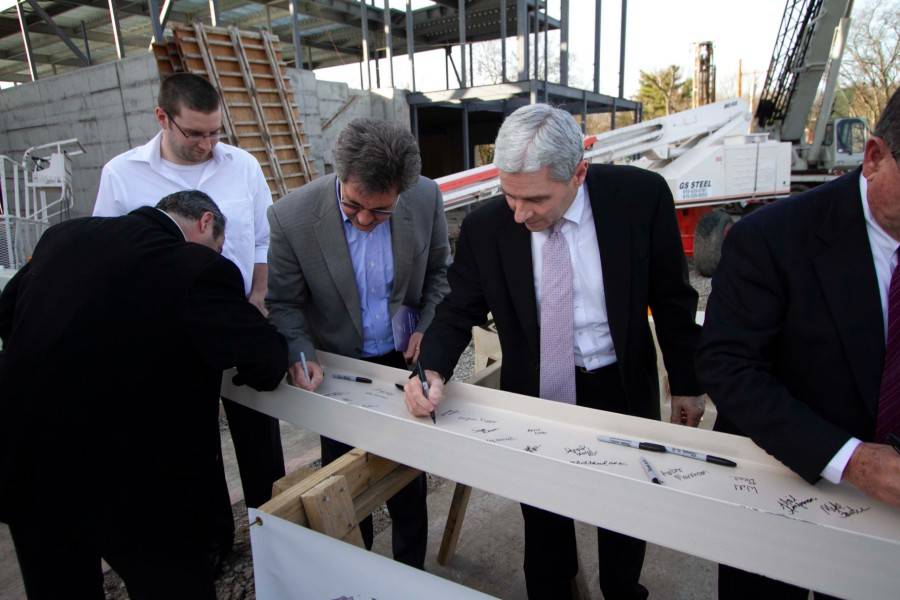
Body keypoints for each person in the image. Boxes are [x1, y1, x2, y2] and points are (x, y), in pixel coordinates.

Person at [405, 104, 705, 599]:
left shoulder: (638, 198)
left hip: (619, 385)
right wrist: (430, 368)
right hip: (538, 392)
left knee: (625, 514)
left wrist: (688, 384)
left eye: (537, 199)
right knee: (544, 522)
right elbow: (458, 308)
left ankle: (622, 588)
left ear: (578, 173)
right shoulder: (487, 227)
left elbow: (673, 297)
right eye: (509, 196)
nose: (520, 214)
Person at [0, 191, 288, 599]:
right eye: (219, 245)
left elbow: (8, 314)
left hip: (25, 461)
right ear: (206, 223)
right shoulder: (195, 265)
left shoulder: (63, 236)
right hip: (132, 479)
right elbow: (264, 357)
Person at [697, 88, 900, 599]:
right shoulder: (772, 237)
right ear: (874, 157)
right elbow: (729, 367)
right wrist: (852, 460)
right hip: (782, 489)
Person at [92, 73, 285, 542]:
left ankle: (275, 532)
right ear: (163, 118)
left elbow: (261, 240)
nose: (207, 144)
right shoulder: (122, 174)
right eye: (195, 133)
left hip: (237, 321)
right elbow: (106, 256)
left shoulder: (242, 165)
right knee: (191, 447)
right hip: (167, 339)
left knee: (260, 439)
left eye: (215, 131)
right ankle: (213, 539)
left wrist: (258, 297)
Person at [267, 117, 450, 568]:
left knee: (409, 478)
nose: (366, 221)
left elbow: (440, 276)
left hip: (402, 359)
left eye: (381, 211)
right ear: (338, 174)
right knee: (346, 478)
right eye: (353, 207)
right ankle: (358, 568)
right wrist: (300, 353)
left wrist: (428, 326)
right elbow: (284, 304)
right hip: (338, 367)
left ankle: (410, 573)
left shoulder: (425, 197)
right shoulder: (291, 217)